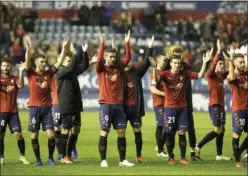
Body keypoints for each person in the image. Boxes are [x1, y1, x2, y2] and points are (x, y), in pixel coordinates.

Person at [150, 49, 212, 165]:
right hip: (169, 108)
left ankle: (183, 157)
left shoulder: (184, 74)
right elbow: (157, 79)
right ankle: (171, 157)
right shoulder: (165, 74)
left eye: (179, 63)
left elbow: (200, 75)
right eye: (175, 63)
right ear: (171, 64)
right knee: (169, 133)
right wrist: (154, 68)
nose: (177, 65)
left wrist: (205, 63)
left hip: (182, 108)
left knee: (182, 132)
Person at [24, 38, 67, 166]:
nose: (44, 63)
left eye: (45, 61)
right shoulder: (31, 73)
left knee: (51, 136)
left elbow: (59, 62)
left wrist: (64, 48)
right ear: (36, 63)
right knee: (34, 135)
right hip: (34, 108)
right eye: (42, 61)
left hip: (47, 109)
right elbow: (27, 63)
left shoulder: (48, 74)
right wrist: (28, 49)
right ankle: (38, 160)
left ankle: (50, 157)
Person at [96, 30, 134, 167]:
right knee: (104, 131)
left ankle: (123, 160)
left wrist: (127, 43)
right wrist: (102, 44)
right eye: (110, 56)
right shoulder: (101, 69)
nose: (112, 58)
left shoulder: (118, 68)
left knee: (121, 132)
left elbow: (128, 58)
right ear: (106, 57)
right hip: (106, 104)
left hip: (118, 104)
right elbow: (99, 60)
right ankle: (103, 160)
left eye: (114, 57)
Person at [195, 39, 231, 161]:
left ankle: (219, 155)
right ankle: (198, 146)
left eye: (222, 64)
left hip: (221, 106)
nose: (222, 66)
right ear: (215, 66)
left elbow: (232, 71)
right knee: (217, 130)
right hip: (214, 105)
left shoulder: (221, 76)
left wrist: (230, 60)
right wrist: (218, 51)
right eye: (220, 64)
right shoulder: (211, 76)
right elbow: (212, 67)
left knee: (222, 129)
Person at [56, 41, 89, 164]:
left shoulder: (72, 72)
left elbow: (84, 66)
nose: (70, 63)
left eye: (70, 61)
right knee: (66, 130)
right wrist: (75, 52)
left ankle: (68, 155)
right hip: (66, 105)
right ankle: (63, 156)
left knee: (76, 130)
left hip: (76, 105)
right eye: (68, 61)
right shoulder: (60, 72)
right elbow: (72, 66)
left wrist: (85, 53)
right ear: (62, 63)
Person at [122, 36, 154, 163]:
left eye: (130, 61)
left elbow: (146, 63)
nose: (129, 63)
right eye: (127, 61)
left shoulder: (136, 73)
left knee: (137, 132)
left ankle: (139, 155)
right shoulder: (119, 74)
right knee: (121, 133)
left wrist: (150, 48)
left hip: (135, 108)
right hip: (122, 109)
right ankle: (122, 157)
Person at [0, 58, 29, 165]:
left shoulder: (15, 78)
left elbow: (20, 85)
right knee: (0, 134)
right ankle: (1, 157)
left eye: (7, 65)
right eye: (3, 65)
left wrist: (21, 71)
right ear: (1, 67)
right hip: (1, 112)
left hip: (13, 112)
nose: (5, 68)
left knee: (19, 134)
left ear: (11, 67)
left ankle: (22, 156)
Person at [227, 50, 248, 168]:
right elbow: (231, 78)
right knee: (237, 134)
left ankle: (238, 153)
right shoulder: (234, 77)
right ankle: (237, 162)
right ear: (235, 63)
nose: (243, 64)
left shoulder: (246, 74)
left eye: (244, 62)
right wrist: (230, 62)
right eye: (240, 62)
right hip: (239, 109)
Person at [150, 55, 168, 158]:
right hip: (159, 103)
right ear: (158, 61)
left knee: (167, 125)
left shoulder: (165, 73)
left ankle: (159, 146)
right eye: (163, 60)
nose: (165, 62)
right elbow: (153, 90)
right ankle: (160, 150)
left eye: (166, 60)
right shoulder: (154, 73)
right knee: (161, 125)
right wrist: (166, 94)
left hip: (167, 103)